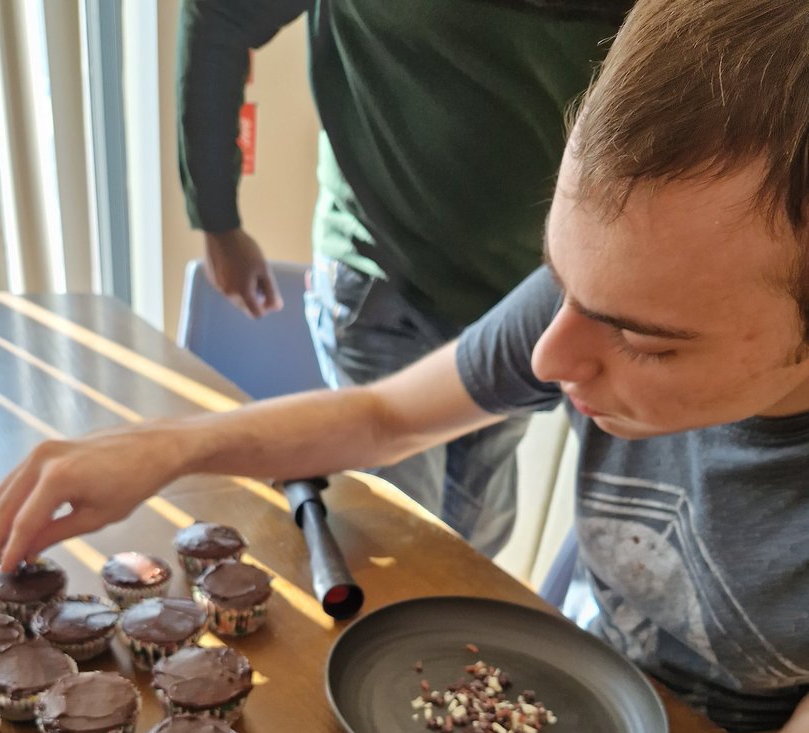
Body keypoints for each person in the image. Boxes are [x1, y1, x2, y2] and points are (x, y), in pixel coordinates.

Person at [0, 0, 809, 733]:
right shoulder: (611, 298)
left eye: (646, 341)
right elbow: (384, 415)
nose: (551, 359)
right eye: (558, 280)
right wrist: (171, 445)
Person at [177, 0, 629, 557]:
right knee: (389, 556)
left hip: (528, 303)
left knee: (470, 554)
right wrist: (218, 220)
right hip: (384, 282)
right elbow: (220, 16)